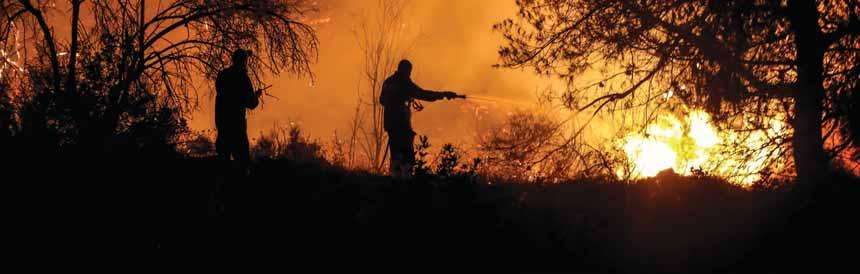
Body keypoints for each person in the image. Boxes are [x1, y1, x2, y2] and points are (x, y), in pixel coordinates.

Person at [379, 59, 464, 178]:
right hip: (401, 123)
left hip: (390, 123)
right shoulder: (404, 83)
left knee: (395, 153)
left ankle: (394, 177)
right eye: (409, 72)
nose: (409, 75)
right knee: (406, 154)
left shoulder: (388, 82)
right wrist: (444, 95)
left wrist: (398, 100)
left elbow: (381, 100)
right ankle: (405, 178)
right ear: (407, 71)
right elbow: (424, 94)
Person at [215, 49, 263, 169]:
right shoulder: (243, 78)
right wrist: (256, 96)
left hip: (222, 124)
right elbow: (250, 103)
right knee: (242, 164)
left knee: (223, 163)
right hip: (237, 127)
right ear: (244, 61)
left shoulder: (222, 76)